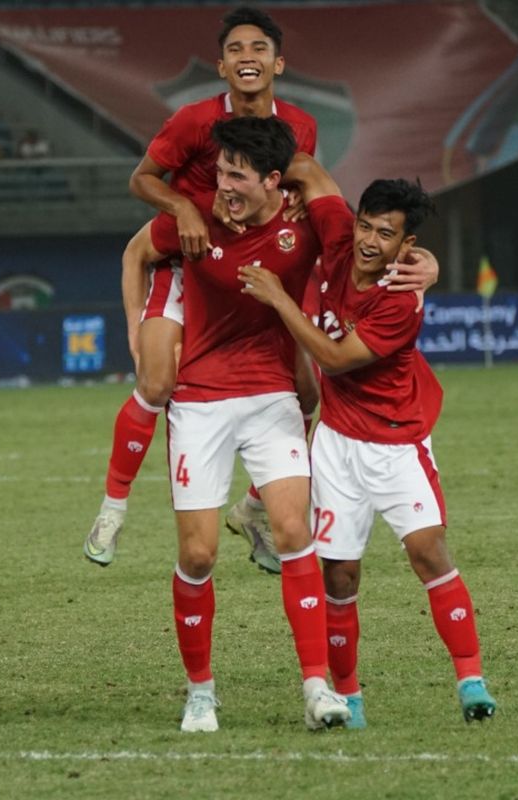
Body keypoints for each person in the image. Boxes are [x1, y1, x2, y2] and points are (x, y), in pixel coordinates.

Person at [84, 6, 438, 571]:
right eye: (236, 50)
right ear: (221, 66)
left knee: (308, 391)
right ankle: (112, 509)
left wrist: (422, 260)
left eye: (258, 49)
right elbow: (141, 185)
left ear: (279, 62)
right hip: (194, 261)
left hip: (264, 264)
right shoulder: (193, 121)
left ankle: (252, 508)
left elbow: (319, 203)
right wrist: (183, 209)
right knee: (157, 379)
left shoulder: (301, 127)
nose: (247, 58)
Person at [238, 153, 497, 727]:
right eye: (365, 225)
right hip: (335, 445)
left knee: (427, 552)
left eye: (386, 233)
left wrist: (280, 297)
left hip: (397, 445)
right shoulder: (336, 238)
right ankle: (349, 697)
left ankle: (471, 680)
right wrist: (268, 180)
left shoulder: (400, 296)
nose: (369, 240)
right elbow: (306, 166)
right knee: (339, 576)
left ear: (407, 247)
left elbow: (333, 358)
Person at [124, 116, 349, 732]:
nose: (223, 184)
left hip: (271, 396)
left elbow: (359, 246)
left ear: (275, 181)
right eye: (220, 170)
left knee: (293, 530)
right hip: (198, 401)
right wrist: (136, 331)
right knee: (197, 555)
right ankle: (200, 691)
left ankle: (316, 688)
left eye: (237, 175)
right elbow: (138, 253)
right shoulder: (193, 217)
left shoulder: (298, 232)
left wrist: (424, 265)